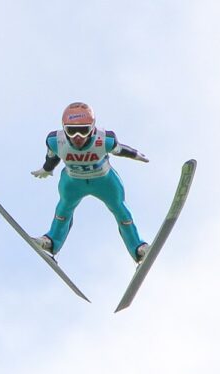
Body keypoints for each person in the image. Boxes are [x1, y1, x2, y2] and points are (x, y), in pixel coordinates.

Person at [31, 102, 150, 263]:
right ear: (64, 128)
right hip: (73, 182)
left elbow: (120, 149)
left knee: (121, 210)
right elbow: (52, 158)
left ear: (92, 128)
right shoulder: (55, 140)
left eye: (83, 130)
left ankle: (139, 249)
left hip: (104, 181)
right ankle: (51, 242)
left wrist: (136, 154)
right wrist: (46, 169)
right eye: (71, 131)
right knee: (63, 208)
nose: (78, 137)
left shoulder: (105, 139)